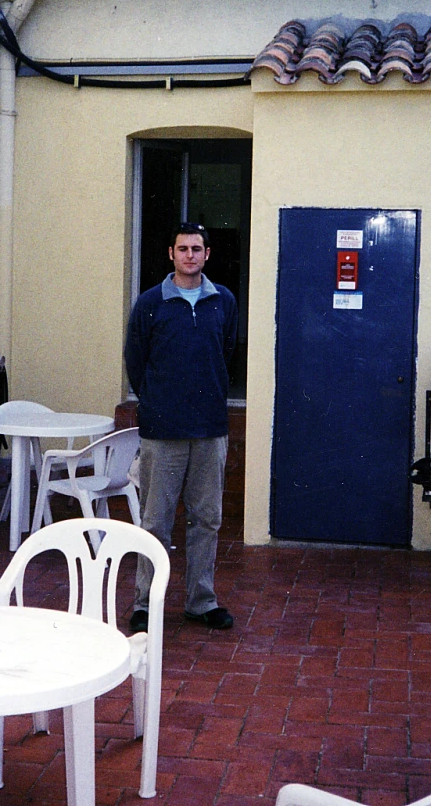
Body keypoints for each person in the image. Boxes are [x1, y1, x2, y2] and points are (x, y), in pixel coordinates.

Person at [124, 222, 238, 633]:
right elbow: (136, 362)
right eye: (182, 248)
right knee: (155, 522)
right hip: (163, 431)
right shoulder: (150, 304)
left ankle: (201, 601)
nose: (190, 255)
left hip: (209, 429)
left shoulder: (223, 301)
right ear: (170, 254)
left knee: (206, 518)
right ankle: (144, 604)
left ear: (207, 254)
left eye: (197, 248)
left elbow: (224, 353)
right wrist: (157, 402)